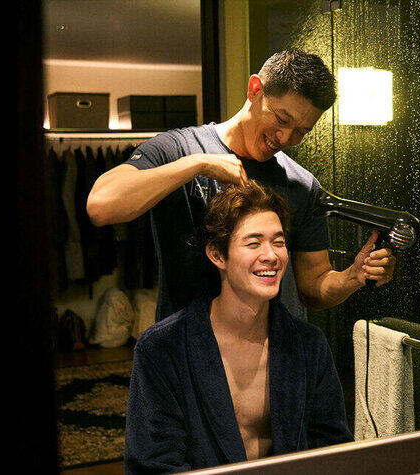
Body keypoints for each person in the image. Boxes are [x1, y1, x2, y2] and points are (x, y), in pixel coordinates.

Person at [87, 49, 395, 321]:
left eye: (301, 131)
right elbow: (102, 206)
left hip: (269, 353)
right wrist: (197, 165)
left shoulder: (302, 186)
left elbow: (313, 287)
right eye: (282, 119)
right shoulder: (178, 149)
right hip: (185, 351)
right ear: (255, 89)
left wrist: (352, 277)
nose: (285, 138)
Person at [125, 182, 353, 473]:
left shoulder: (309, 344)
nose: (271, 255)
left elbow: (333, 452)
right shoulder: (162, 348)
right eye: (253, 243)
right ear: (218, 255)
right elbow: (154, 465)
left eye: (279, 242)